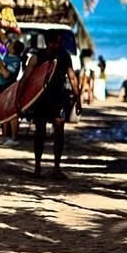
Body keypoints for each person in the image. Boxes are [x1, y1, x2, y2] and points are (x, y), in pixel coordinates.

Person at [31, 31, 81, 179]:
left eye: (60, 42)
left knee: (59, 133)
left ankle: (57, 168)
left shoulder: (64, 56)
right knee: (39, 134)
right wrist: (20, 99)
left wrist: (78, 99)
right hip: (40, 99)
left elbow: (72, 77)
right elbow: (27, 78)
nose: (58, 45)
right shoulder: (38, 57)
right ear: (48, 42)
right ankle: (37, 167)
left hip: (58, 99)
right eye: (55, 42)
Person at [0, 40, 24, 144]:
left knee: (12, 113)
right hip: (2, 86)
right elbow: (4, 39)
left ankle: (14, 137)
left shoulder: (15, 60)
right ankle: (4, 135)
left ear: (14, 49)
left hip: (9, 87)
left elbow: (7, 74)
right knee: (4, 112)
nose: (9, 45)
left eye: (11, 44)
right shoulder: (8, 55)